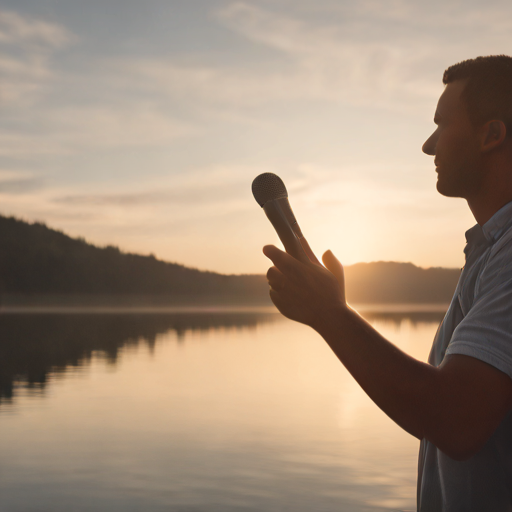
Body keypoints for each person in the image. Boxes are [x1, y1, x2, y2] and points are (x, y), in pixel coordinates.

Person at [263, 55, 512, 511]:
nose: (428, 144)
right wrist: (333, 314)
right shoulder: (491, 251)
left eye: (442, 124)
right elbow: (444, 413)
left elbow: (457, 420)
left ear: (491, 135)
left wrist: (331, 316)